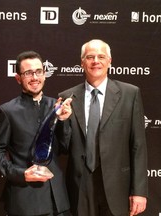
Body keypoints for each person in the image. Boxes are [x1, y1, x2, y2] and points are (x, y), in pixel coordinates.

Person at [59, 39, 148, 216]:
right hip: (80, 185)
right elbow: (63, 146)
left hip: (117, 186)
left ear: (110, 61)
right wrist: (62, 122)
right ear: (82, 62)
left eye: (101, 56)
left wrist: (139, 191)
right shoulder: (66, 97)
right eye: (90, 57)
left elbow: (138, 146)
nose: (96, 61)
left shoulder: (130, 94)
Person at [0, 50, 72, 216]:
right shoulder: (7, 111)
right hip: (25, 201)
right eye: (28, 73)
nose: (35, 77)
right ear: (18, 78)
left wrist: (64, 121)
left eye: (38, 72)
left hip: (57, 200)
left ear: (44, 75)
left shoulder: (57, 106)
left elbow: (66, 147)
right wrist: (21, 174)